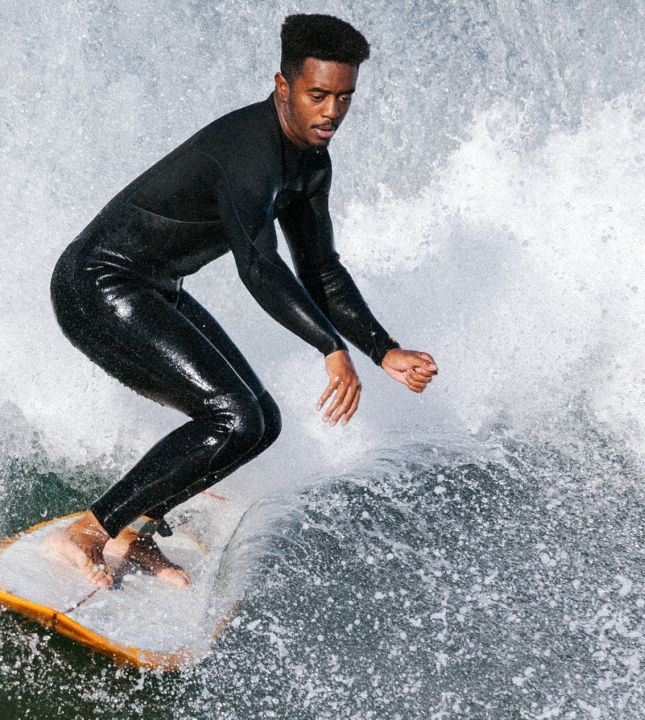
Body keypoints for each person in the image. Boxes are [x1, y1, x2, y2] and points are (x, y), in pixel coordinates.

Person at [46, 14, 438, 589]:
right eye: (318, 95)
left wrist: (383, 350)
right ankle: (89, 532)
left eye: (345, 98)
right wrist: (330, 348)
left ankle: (135, 533)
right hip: (97, 286)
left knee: (260, 423)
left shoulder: (309, 163)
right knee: (233, 415)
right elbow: (257, 264)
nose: (332, 111)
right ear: (284, 87)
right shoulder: (249, 152)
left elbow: (322, 269)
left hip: (153, 288)